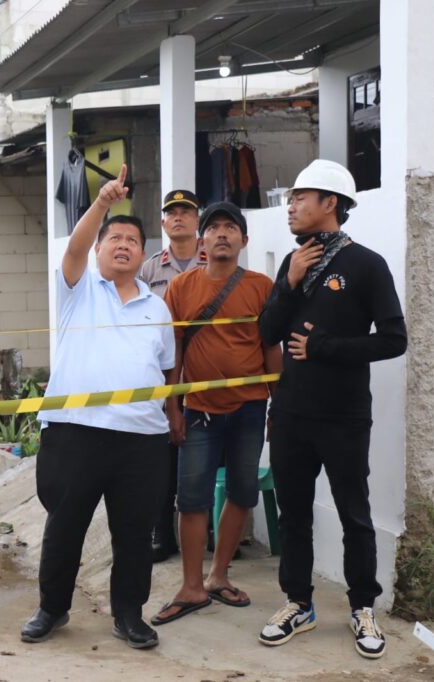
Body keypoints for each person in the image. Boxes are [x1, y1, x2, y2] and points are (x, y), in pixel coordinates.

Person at [21, 164, 174, 650]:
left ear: (144, 252)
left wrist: (170, 421)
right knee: (64, 526)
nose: (124, 244)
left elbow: (167, 370)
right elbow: (73, 247)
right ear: (100, 248)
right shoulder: (78, 288)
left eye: (133, 239)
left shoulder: (157, 307)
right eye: (115, 238)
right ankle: (52, 608)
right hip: (75, 432)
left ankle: (129, 615)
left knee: (134, 534)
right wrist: (103, 202)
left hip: (142, 440)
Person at [257, 160, 407, 658]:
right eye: (291, 198)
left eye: (301, 197)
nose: (291, 205)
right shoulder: (294, 262)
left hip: (343, 416)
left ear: (331, 204)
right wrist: (288, 282)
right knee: (294, 513)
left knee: (354, 515)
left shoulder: (366, 265)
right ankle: (297, 602)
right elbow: (267, 331)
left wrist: (326, 346)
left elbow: (393, 340)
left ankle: (363, 607)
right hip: (293, 414)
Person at [151, 202, 281, 626]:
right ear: (202, 241)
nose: (222, 234)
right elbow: (173, 356)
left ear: (244, 240)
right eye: (215, 228)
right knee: (191, 499)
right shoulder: (182, 289)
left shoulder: (261, 287)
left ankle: (219, 575)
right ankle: (191, 587)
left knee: (243, 492)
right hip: (200, 411)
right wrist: (173, 408)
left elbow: (270, 351)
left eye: (231, 228)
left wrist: (276, 405)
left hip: (249, 408)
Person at [138, 188, 207, 563]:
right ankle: (161, 536)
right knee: (162, 462)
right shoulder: (150, 269)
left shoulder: (213, 260)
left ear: (198, 220)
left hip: (206, 372)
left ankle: (205, 534)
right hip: (164, 373)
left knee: (206, 460)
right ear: (163, 222)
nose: (178, 216)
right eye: (171, 212)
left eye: (186, 211)